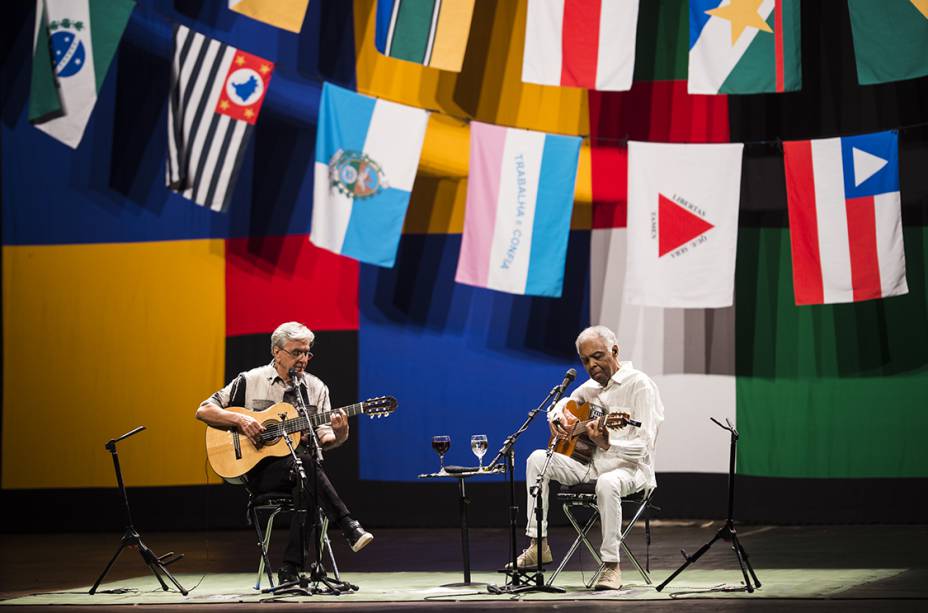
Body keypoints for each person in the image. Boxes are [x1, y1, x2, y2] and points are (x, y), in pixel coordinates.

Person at [196, 321, 372, 583]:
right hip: (258, 471)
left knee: (307, 476)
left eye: (307, 353)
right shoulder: (249, 380)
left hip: (301, 472)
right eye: (296, 352)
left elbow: (324, 438)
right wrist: (240, 420)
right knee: (308, 470)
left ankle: (289, 571)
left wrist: (341, 432)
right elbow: (203, 410)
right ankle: (348, 526)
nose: (303, 359)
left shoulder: (316, 388)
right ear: (277, 352)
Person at [514, 325, 664, 591]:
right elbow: (563, 404)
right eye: (585, 361)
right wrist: (557, 417)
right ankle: (538, 544)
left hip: (631, 470)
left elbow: (644, 447)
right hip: (591, 466)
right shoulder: (591, 387)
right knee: (537, 459)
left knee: (608, 482)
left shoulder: (640, 385)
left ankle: (611, 565)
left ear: (614, 351)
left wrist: (608, 443)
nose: (592, 365)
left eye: (597, 356)